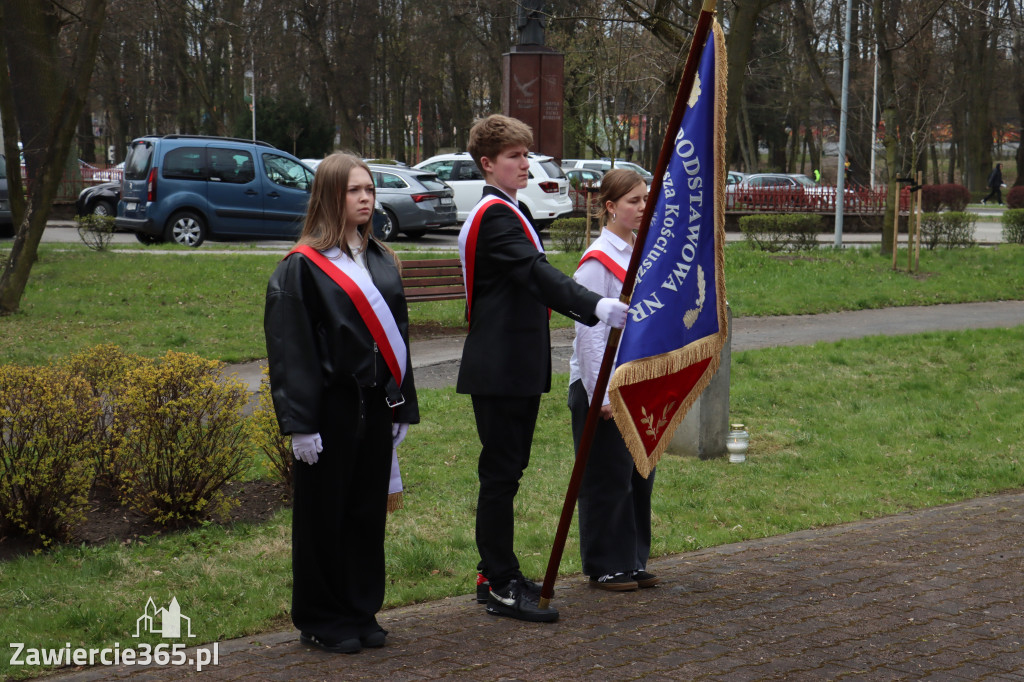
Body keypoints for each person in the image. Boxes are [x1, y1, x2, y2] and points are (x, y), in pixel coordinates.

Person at [457, 114, 628, 623]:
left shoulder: (509, 208)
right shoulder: (496, 215)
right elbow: (536, 274)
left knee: (507, 472)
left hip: (510, 364)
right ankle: (498, 580)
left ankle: (499, 571)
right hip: (501, 366)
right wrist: (595, 306)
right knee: (501, 476)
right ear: (488, 164)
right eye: (514, 157)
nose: (525, 164)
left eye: (526, 155)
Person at [264, 152, 419, 654]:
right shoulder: (301, 268)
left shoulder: (379, 258)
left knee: (365, 514)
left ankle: (360, 608)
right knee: (322, 518)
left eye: (370, 190)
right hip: (328, 411)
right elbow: (292, 351)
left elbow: (399, 338)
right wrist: (301, 424)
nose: (366, 198)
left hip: (375, 405)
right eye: (355, 190)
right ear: (332, 195)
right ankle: (320, 616)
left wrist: (402, 406)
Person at [568, 169, 658, 592]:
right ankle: (606, 564)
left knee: (639, 473)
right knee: (607, 477)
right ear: (610, 207)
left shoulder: (643, 252)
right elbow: (589, 332)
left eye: (645, 200)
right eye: (633, 202)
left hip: (638, 381)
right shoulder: (596, 261)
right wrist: (598, 393)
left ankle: (633, 558)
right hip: (602, 385)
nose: (642, 208)